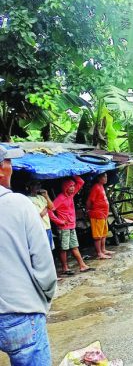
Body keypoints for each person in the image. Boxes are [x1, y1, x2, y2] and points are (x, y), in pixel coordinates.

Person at [0, 145, 57, 365]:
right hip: (21, 311)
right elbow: (43, 264)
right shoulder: (19, 204)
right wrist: (44, 299)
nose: (11, 168)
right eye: (8, 162)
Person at [49, 175, 92, 275]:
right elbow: (50, 211)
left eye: (73, 186)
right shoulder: (60, 198)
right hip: (63, 228)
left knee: (74, 246)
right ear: (65, 188)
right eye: (70, 186)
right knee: (64, 248)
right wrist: (59, 221)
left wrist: (73, 173)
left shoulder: (71, 196)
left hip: (71, 226)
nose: (73, 188)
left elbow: (81, 182)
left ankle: (82, 265)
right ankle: (65, 267)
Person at [87, 173, 114, 259]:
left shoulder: (101, 186)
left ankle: (103, 250)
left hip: (103, 215)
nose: (106, 178)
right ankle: (99, 253)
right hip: (97, 215)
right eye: (104, 176)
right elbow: (89, 201)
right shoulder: (96, 187)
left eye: (106, 176)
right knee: (98, 235)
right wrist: (90, 211)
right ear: (99, 178)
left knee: (103, 233)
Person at [27, 180, 55, 251]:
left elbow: (52, 207)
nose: (38, 187)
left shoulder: (41, 197)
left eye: (39, 185)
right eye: (36, 185)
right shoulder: (28, 199)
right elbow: (41, 214)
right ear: (31, 186)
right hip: (40, 227)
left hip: (47, 226)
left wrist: (46, 196)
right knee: (44, 250)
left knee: (49, 248)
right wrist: (47, 207)